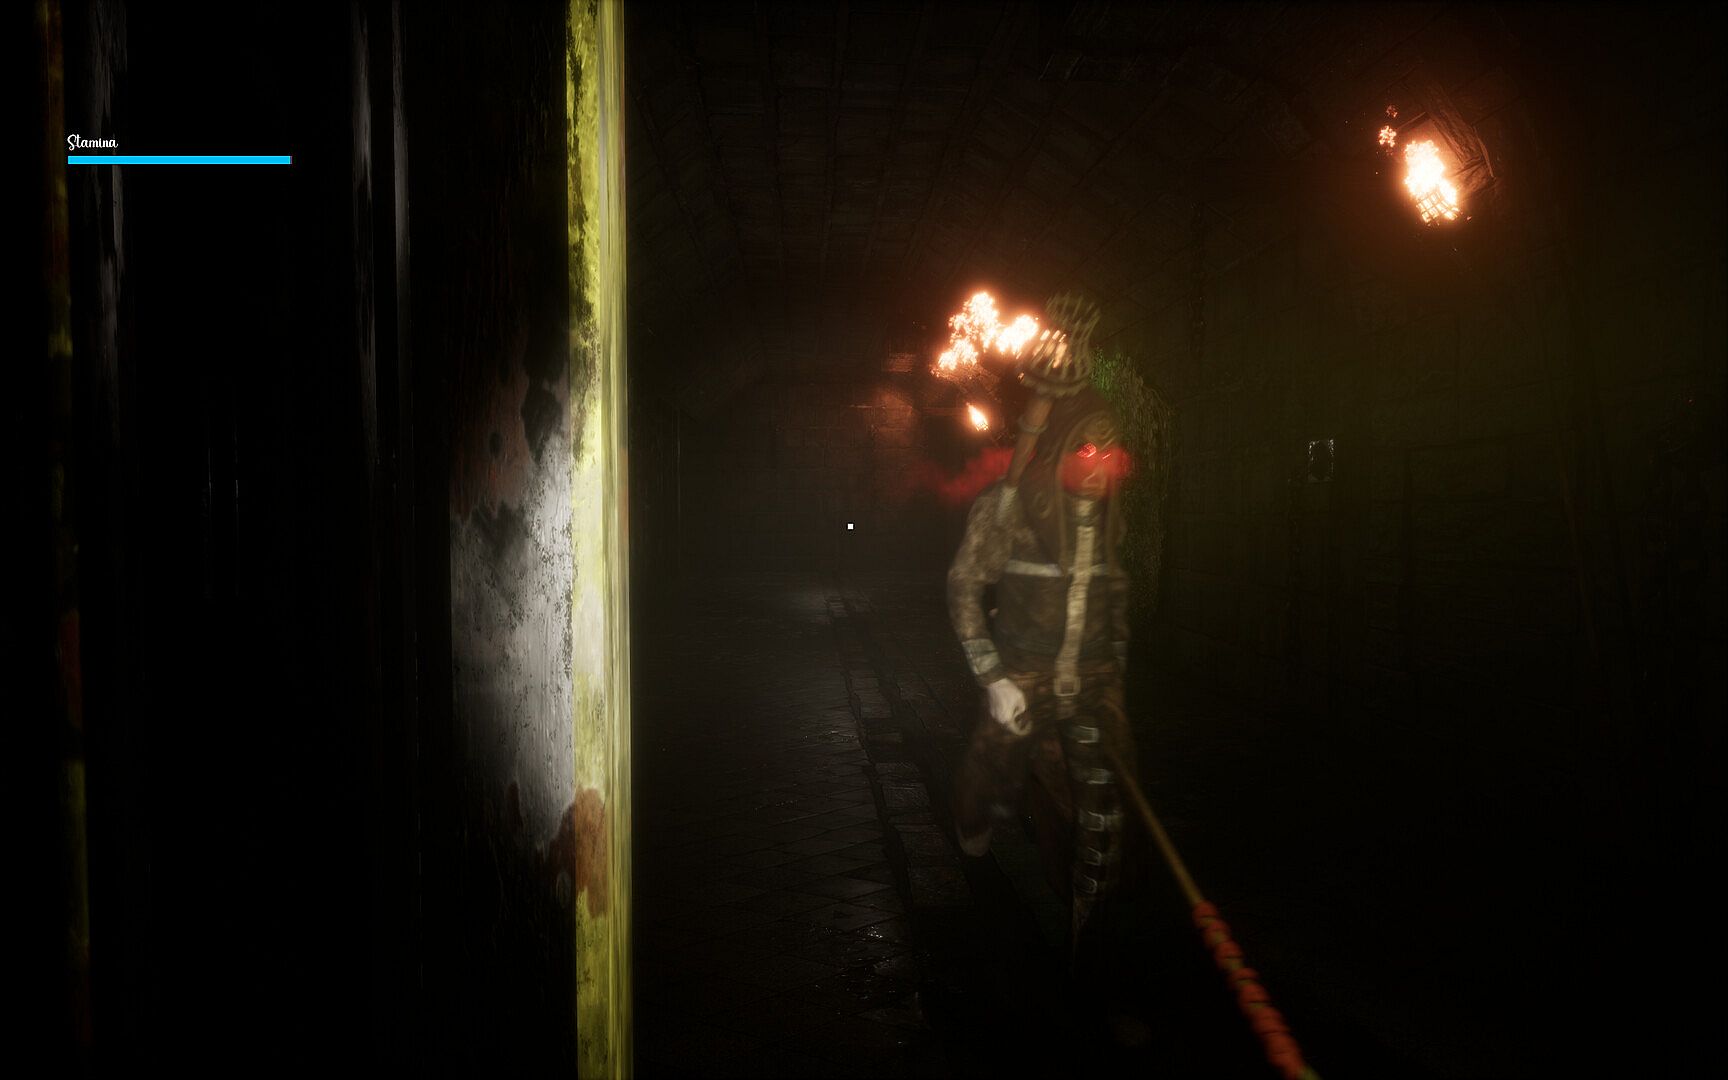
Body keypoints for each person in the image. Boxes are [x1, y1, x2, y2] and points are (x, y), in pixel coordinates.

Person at [946, 314, 1139, 992]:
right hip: (1022, 674)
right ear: (1058, 448)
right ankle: (974, 863)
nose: (1098, 465)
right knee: (985, 781)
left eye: (1107, 451)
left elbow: (1114, 598)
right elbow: (965, 586)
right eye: (1084, 449)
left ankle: (1090, 954)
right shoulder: (1011, 510)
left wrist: (1112, 670)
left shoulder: (1111, 520)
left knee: (1106, 813)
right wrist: (993, 677)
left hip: (1090, 680)